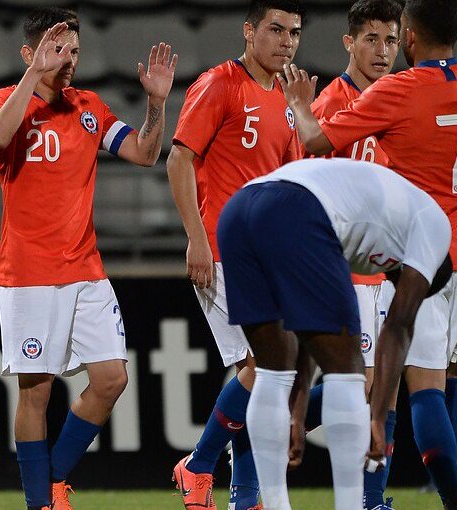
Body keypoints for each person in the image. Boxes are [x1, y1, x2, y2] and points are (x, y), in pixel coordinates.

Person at [278, 0, 457, 508]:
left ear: (407, 36)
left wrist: (298, 102)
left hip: (422, 258)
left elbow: (316, 140)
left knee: (421, 390)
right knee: (455, 379)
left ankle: (454, 501)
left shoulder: (397, 90)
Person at [0, 8, 177, 510]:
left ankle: (52, 482)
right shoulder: (6, 101)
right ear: (29, 53)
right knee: (36, 394)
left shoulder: (88, 106)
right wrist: (34, 75)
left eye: (73, 51)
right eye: (57, 50)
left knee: (112, 377)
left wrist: (156, 104)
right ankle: (40, 503)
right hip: (27, 274)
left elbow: (143, 153)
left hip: (85, 269)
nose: (68, 60)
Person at [218, 158, 452, 510]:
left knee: (272, 369)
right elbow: (399, 326)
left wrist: (297, 410)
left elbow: (309, 323)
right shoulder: (435, 228)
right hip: (299, 208)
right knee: (348, 372)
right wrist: (376, 416)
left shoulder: (370, 227)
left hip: (239, 211)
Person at [166, 1, 304, 509]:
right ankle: (200, 465)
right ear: (249, 31)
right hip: (223, 250)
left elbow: (288, 182)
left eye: (294, 32)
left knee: (265, 374)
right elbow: (179, 159)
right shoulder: (218, 84)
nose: (286, 41)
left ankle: (244, 495)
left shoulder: (287, 99)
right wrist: (197, 237)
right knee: (266, 363)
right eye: (275, 29)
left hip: (266, 257)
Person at [303, 1, 402, 508]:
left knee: (381, 385)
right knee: (363, 385)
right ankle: (270, 424)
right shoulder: (329, 104)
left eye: (390, 40)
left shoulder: (400, 101)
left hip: (381, 270)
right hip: (342, 269)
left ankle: (372, 499)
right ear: (349, 43)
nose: (382, 51)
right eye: (371, 39)